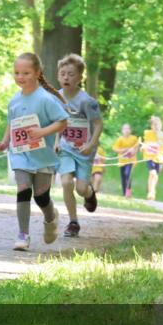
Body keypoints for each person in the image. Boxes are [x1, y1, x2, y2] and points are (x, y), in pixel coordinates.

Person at [0, 52, 68, 251]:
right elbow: (12, 124)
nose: (20, 77)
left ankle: (51, 218)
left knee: (41, 197)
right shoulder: (14, 100)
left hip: (43, 156)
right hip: (20, 154)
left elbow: (62, 121)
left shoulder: (45, 99)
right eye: (17, 72)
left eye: (25, 73)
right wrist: (4, 142)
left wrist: (42, 132)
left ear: (37, 73)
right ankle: (23, 235)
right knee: (23, 189)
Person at [55, 54, 101, 237]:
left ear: (79, 78)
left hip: (84, 150)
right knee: (66, 182)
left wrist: (91, 143)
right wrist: (57, 141)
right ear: (58, 76)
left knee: (80, 189)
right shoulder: (56, 97)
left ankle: (90, 194)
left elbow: (98, 124)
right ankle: (73, 222)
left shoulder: (86, 101)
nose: (66, 77)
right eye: (63, 73)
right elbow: (57, 121)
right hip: (65, 148)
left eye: (71, 74)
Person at [142, 116, 163, 201]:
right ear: (151, 126)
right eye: (154, 125)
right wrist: (143, 146)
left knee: (155, 176)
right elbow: (145, 143)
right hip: (149, 157)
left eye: (158, 125)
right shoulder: (148, 133)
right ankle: (151, 192)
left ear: (161, 125)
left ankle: (152, 189)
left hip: (159, 158)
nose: (156, 127)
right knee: (153, 173)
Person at [112, 124, 140, 197]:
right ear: (122, 131)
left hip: (131, 161)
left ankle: (128, 191)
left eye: (128, 129)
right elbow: (115, 149)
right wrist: (125, 150)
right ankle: (124, 193)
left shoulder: (134, 138)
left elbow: (137, 147)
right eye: (125, 129)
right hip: (122, 162)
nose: (126, 130)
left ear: (130, 130)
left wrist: (134, 151)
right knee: (123, 176)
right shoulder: (120, 139)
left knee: (127, 174)